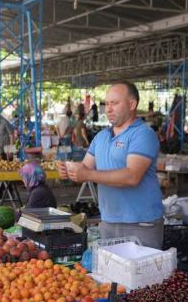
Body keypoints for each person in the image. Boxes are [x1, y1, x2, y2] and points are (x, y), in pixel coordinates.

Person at [59, 81, 164, 249]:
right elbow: (85, 168)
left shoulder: (143, 134)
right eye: (107, 104)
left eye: (114, 103)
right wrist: (70, 170)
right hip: (108, 221)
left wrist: (87, 174)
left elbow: (132, 176)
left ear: (132, 104)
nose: (108, 109)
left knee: (141, 266)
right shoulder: (101, 137)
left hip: (141, 224)